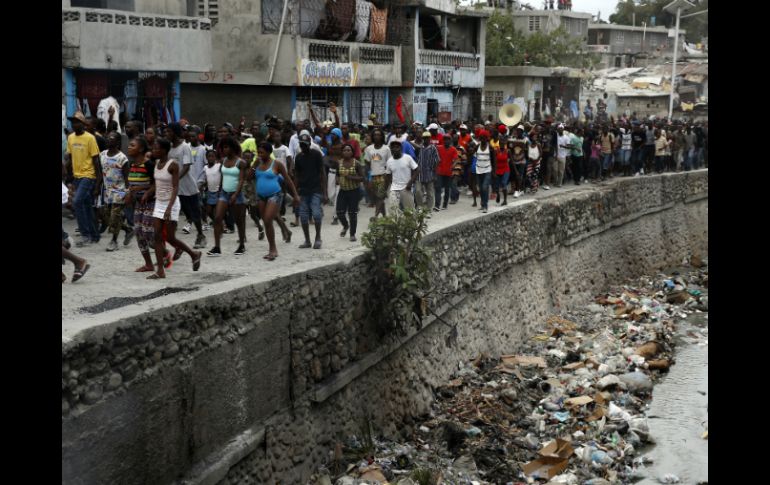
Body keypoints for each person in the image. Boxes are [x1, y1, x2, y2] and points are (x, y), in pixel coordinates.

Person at [147, 138, 202, 279]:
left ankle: (194, 254)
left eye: (156, 148)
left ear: (164, 150)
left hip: (171, 203)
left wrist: (169, 208)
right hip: (159, 202)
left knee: (171, 237)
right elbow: (156, 184)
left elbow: (175, 187)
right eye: (153, 148)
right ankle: (160, 270)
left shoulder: (173, 165)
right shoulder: (156, 163)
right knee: (157, 236)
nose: (154, 151)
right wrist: (148, 193)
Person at [253, 143, 300, 260]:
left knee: (268, 219)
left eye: (262, 152)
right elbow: (249, 176)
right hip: (260, 196)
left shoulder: (277, 164)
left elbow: (288, 180)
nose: (259, 155)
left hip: (275, 195)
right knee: (267, 220)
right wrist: (253, 165)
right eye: (258, 152)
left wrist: (295, 195)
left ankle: (273, 249)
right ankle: (285, 234)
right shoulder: (257, 164)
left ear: (269, 153)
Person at [207, 137, 248, 257]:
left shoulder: (241, 162)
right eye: (223, 147)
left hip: (237, 195)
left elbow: (241, 180)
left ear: (232, 148)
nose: (224, 150)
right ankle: (217, 247)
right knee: (217, 218)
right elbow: (223, 177)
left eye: (226, 147)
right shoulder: (223, 161)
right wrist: (220, 190)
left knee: (239, 221)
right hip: (224, 193)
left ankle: (241, 245)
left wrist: (235, 194)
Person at [66, 111, 103, 247]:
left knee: (76, 202)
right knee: (87, 206)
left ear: (83, 124)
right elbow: (69, 158)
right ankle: (95, 235)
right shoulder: (70, 138)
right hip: (77, 176)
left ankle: (85, 234)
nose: (74, 124)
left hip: (89, 175)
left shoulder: (90, 138)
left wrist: (98, 182)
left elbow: (96, 160)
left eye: (77, 122)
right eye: (73, 122)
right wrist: (69, 176)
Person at [99, 131, 132, 251]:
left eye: (111, 139)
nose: (108, 140)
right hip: (107, 191)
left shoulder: (122, 158)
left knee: (115, 215)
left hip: (120, 191)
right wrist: (97, 187)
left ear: (118, 142)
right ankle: (128, 229)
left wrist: (128, 192)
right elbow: (100, 173)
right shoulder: (102, 155)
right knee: (107, 217)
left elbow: (127, 177)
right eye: (107, 138)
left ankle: (114, 241)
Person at [294, 133, 328, 249]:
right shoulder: (298, 157)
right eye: (302, 145)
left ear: (309, 144)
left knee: (317, 214)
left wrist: (325, 192)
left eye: (306, 144)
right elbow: (296, 175)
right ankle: (307, 240)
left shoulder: (317, 154)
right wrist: (295, 193)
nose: (304, 147)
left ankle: (318, 238)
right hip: (303, 190)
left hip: (315, 189)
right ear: (299, 145)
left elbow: (322, 173)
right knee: (303, 216)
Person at [335, 144, 365, 241]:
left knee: (352, 213)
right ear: (342, 152)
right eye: (344, 150)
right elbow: (337, 174)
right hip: (343, 190)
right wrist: (337, 180)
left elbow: (362, 178)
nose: (347, 152)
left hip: (354, 191)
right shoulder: (339, 163)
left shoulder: (357, 163)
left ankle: (352, 234)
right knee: (339, 212)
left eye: (349, 150)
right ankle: (345, 225)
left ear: (352, 152)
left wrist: (350, 177)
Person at [385, 140, 418, 214]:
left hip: (406, 188)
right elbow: (388, 175)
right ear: (391, 149)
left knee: (409, 211)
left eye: (397, 147)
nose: (395, 149)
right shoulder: (389, 161)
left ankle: (411, 225)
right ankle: (397, 225)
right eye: (393, 147)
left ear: (401, 148)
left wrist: (410, 182)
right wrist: (387, 188)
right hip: (394, 189)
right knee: (392, 211)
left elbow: (416, 170)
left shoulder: (407, 158)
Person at [364, 128, 391, 219]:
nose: (376, 136)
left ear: (382, 136)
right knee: (377, 197)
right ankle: (384, 216)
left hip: (383, 176)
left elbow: (390, 163)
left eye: (379, 135)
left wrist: (388, 177)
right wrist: (368, 178)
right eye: (375, 135)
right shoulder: (369, 149)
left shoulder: (386, 149)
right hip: (372, 176)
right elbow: (367, 163)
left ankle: (375, 216)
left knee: (380, 196)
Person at [415, 131, 439, 210]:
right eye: (425, 138)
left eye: (428, 138)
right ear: (423, 139)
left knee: (430, 193)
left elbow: (437, 161)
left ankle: (429, 209)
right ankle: (420, 206)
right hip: (419, 173)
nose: (426, 139)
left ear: (430, 138)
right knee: (418, 191)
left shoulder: (433, 148)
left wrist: (435, 173)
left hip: (429, 173)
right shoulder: (420, 148)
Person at [435, 134, 458, 211]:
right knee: (438, 188)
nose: (446, 141)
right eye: (445, 139)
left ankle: (445, 204)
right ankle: (437, 205)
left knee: (447, 189)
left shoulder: (453, 149)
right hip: (439, 172)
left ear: (450, 141)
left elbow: (455, 159)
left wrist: (453, 166)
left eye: (448, 139)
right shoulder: (439, 148)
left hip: (448, 172)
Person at [475, 131, 495, 213]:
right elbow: (473, 156)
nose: (483, 139)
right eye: (481, 138)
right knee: (480, 189)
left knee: (484, 187)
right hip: (478, 170)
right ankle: (482, 204)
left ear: (487, 138)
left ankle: (485, 206)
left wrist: (494, 171)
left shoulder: (490, 147)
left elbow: (494, 160)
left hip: (487, 170)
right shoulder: (477, 146)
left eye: (484, 138)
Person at [495, 140, 511, 205]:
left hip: (506, 169)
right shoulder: (496, 151)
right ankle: (498, 194)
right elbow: (495, 161)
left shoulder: (508, 151)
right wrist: (494, 170)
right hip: (498, 169)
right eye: (500, 143)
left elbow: (511, 161)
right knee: (497, 185)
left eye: (503, 143)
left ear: (505, 144)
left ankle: (505, 200)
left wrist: (516, 171)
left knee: (504, 183)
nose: (501, 144)